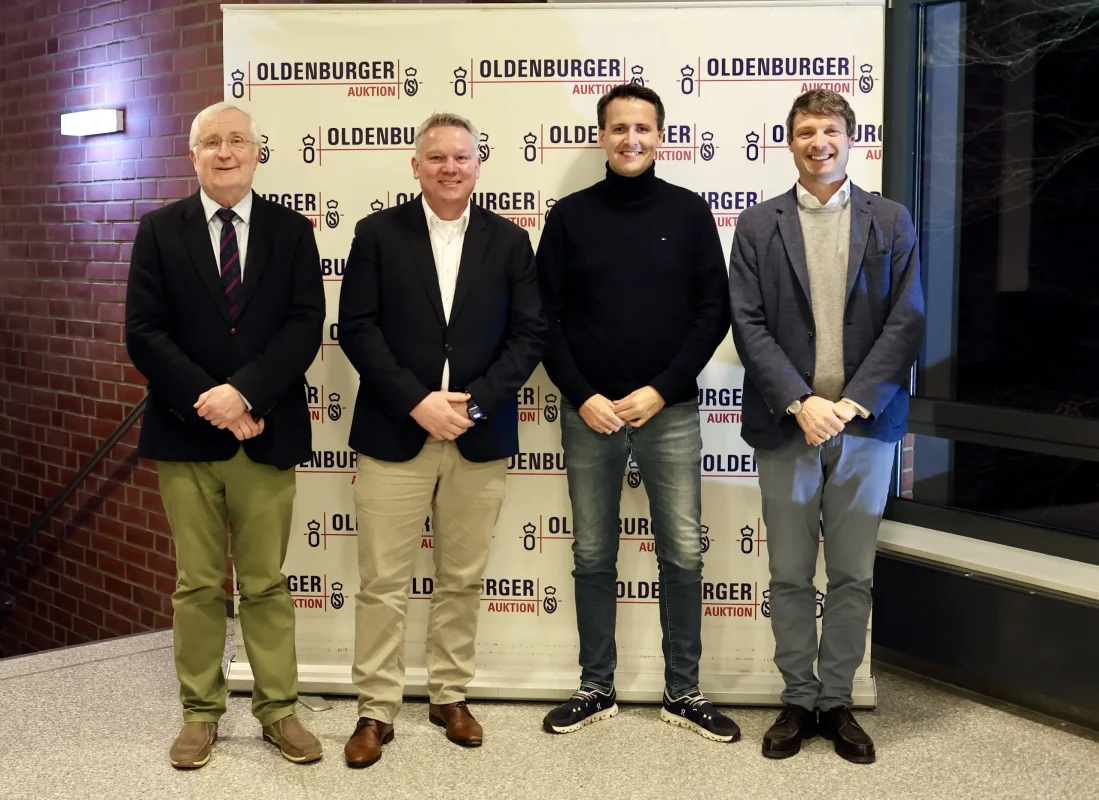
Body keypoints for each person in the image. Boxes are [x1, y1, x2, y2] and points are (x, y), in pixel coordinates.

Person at [338, 112, 546, 768]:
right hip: (395, 429)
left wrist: (474, 403)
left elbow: (529, 336)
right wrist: (418, 401)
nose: (449, 167)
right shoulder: (376, 235)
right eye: (436, 157)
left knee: (461, 576)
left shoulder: (510, 243)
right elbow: (357, 328)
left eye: (461, 157)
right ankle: (376, 708)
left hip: (476, 436)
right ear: (415, 165)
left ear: (479, 164)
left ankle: (448, 693)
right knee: (381, 581)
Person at [125, 102, 325, 769]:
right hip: (186, 436)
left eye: (237, 140)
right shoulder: (159, 230)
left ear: (257, 152)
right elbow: (144, 332)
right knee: (197, 583)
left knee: (264, 582)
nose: (225, 151)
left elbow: (304, 325)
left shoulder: (292, 231)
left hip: (264, 434)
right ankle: (200, 714)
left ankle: (278, 711)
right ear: (193, 156)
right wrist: (209, 401)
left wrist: (244, 393)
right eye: (211, 142)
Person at [728, 89, 925, 764]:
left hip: (863, 429)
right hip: (788, 426)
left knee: (850, 575)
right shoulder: (756, 226)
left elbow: (907, 320)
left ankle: (836, 700)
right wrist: (800, 401)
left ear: (851, 138)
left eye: (831, 130)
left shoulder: (890, 220)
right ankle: (796, 699)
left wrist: (848, 403)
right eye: (807, 131)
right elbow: (746, 323)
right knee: (787, 574)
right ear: (789, 141)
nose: (820, 141)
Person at [536, 84, 736, 742]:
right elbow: (545, 318)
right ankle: (596, 686)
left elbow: (714, 310)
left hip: (667, 410)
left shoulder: (688, 212)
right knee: (593, 555)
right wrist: (581, 395)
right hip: (587, 413)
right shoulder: (568, 217)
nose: (630, 138)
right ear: (601, 136)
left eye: (642, 128)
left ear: (659, 136)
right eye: (618, 127)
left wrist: (663, 387)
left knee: (681, 556)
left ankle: (684, 691)